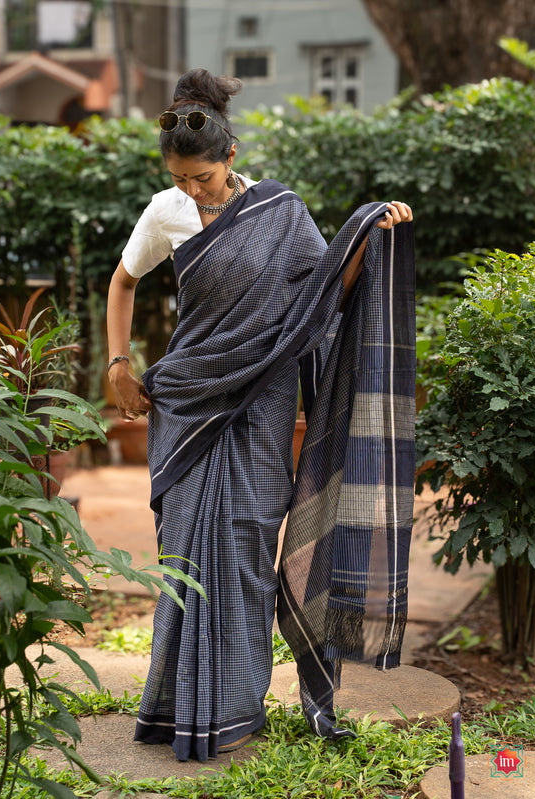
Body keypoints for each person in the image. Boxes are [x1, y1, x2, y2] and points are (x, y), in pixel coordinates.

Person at [106, 68, 415, 763]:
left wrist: (372, 227)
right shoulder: (164, 211)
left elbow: (326, 292)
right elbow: (122, 281)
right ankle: (177, 704)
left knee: (246, 550)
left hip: (263, 403)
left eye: (204, 180)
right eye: (182, 180)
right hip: (188, 403)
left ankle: (237, 709)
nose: (193, 192)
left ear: (232, 159)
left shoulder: (280, 212)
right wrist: (118, 363)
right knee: (185, 556)